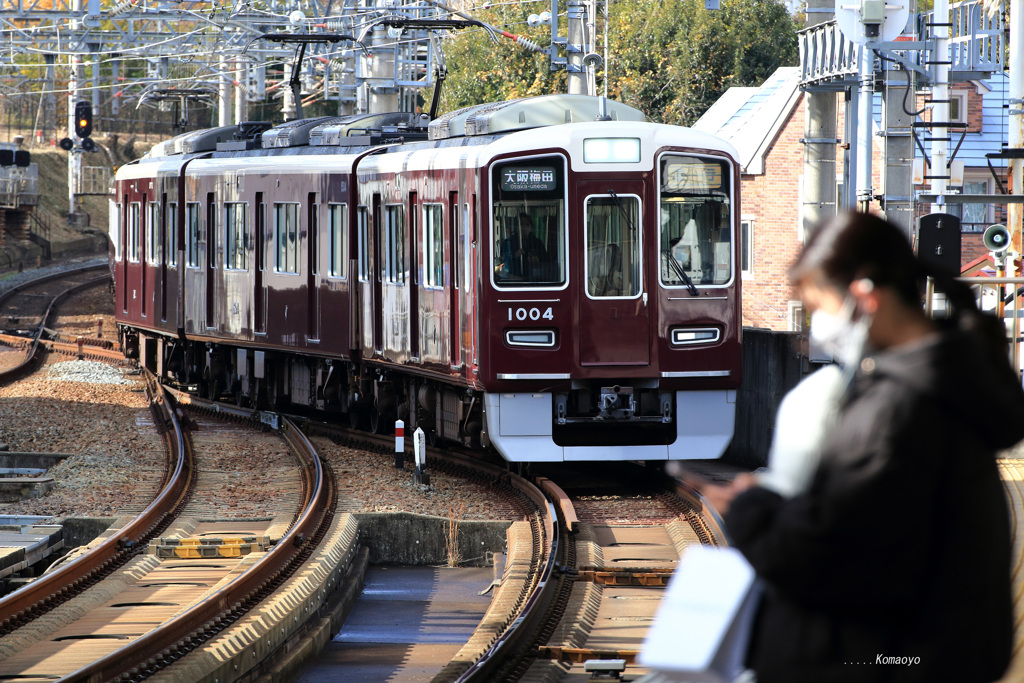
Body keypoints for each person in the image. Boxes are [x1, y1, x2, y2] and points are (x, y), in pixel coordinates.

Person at [704, 211, 1024, 683]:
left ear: (863, 296)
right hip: (935, 652)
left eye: (818, 308)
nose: (817, 330)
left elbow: (825, 557)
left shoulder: (893, 411)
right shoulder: (951, 387)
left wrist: (751, 508)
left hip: (881, 661)